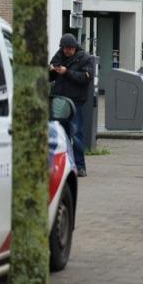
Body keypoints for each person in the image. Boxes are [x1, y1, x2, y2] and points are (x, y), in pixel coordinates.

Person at [50, 33, 94, 177]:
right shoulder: (58, 57)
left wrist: (66, 72)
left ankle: (80, 166)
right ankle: (63, 166)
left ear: (75, 47)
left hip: (75, 102)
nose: (67, 51)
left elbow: (84, 78)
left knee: (76, 134)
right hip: (60, 101)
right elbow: (50, 77)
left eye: (70, 48)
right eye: (65, 48)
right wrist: (51, 71)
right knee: (61, 134)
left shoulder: (85, 59)